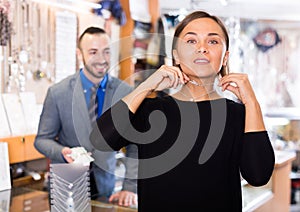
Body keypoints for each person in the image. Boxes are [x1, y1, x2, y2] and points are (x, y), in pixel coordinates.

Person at [90, 11, 275, 211]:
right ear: (176, 56)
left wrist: (252, 102)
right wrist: (147, 85)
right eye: (191, 41)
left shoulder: (240, 114)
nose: (202, 48)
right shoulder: (150, 110)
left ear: (225, 58)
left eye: (213, 42)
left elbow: (259, 175)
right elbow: (101, 139)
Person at [34, 27, 138, 207]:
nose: (101, 59)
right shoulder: (58, 93)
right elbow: (42, 140)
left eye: (106, 52)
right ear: (79, 54)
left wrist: (129, 186)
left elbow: (135, 144)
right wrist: (61, 152)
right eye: (93, 52)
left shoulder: (126, 93)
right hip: (67, 186)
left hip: (106, 186)